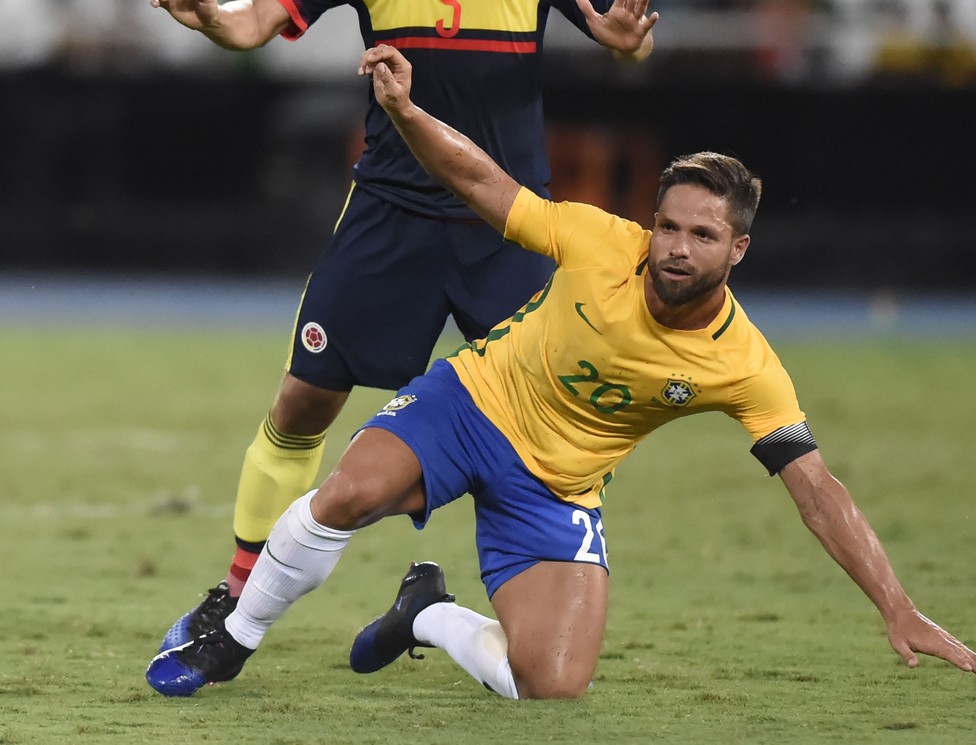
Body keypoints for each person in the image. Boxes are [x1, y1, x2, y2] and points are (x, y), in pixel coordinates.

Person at [146, 44, 976, 700]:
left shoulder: (746, 364)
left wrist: (895, 603)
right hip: (472, 404)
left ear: (739, 249)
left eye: (701, 235)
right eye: (667, 226)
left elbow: (816, 488)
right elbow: (483, 179)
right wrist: (402, 110)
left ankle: (426, 613)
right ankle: (233, 640)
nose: (675, 248)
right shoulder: (597, 242)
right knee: (346, 493)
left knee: (549, 685)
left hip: (558, 487)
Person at [147, 0, 658, 653]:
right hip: (392, 218)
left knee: (548, 427)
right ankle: (239, 590)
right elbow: (250, 23)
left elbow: (626, 36)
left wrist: (625, 43)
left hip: (510, 224)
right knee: (302, 402)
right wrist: (212, 18)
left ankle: (534, 619)